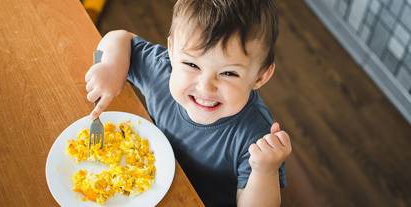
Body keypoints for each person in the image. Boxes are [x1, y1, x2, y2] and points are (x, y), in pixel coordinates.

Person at [84, 0, 292, 206]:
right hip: (145, 183)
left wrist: (265, 170)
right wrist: (111, 66)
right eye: (192, 64)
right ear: (172, 50)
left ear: (260, 77)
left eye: (229, 73)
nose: (206, 87)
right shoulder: (161, 71)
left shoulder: (255, 136)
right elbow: (119, 38)